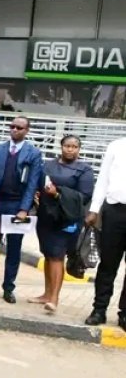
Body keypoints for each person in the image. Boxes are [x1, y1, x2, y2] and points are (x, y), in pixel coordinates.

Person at [31, 135, 94, 314]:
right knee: (48, 254)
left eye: (74, 147)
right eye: (67, 145)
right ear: (61, 146)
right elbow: (39, 183)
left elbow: (84, 196)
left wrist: (58, 194)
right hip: (46, 216)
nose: (70, 149)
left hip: (67, 219)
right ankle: (46, 293)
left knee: (58, 255)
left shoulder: (84, 170)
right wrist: (38, 194)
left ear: (79, 149)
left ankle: (54, 299)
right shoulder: (49, 165)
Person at [0, 116, 43, 304]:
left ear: (26, 130)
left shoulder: (33, 153)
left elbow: (32, 184)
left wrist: (24, 208)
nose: (14, 130)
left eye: (19, 127)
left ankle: (8, 288)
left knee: (13, 249)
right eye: (12, 126)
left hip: (17, 206)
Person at [84, 137, 126, 331]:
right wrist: (94, 209)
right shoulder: (116, 146)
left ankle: (124, 313)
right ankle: (99, 310)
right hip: (115, 211)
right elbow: (102, 180)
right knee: (108, 263)